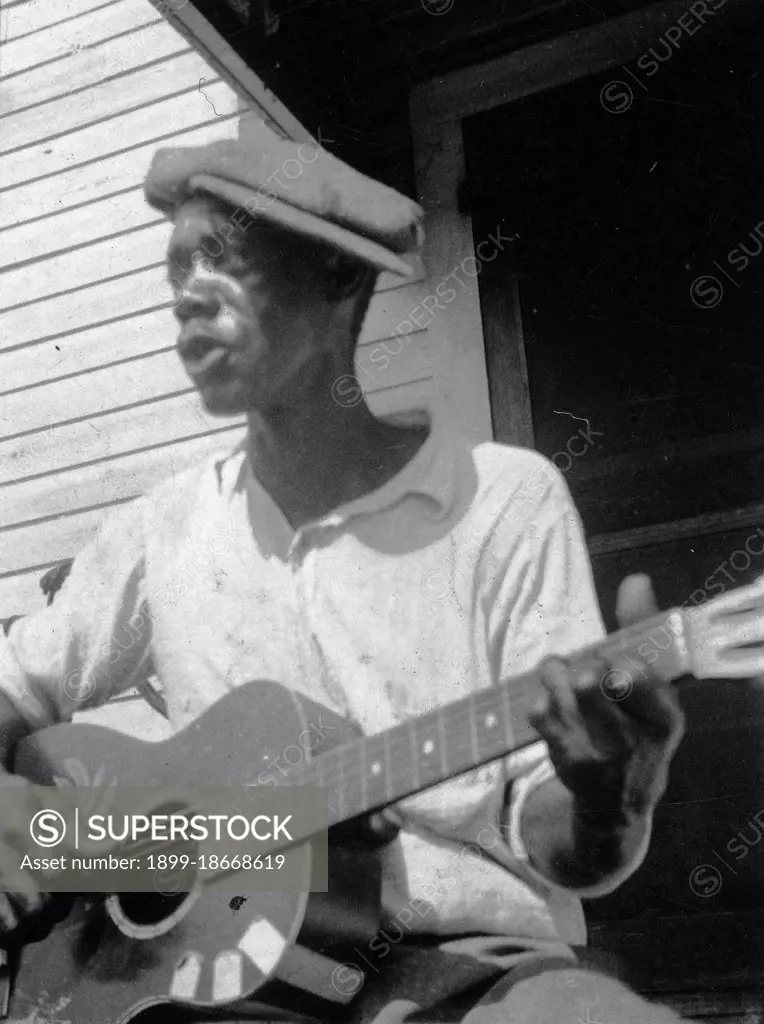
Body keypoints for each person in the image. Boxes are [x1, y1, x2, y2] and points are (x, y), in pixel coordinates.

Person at [0, 128, 688, 1023]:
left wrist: (610, 802)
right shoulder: (162, 527)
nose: (185, 300)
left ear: (338, 279)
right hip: (212, 982)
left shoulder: (506, 503)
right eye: (175, 271)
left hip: (467, 969)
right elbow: (16, 694)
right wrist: (38, 839)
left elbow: (559, 841)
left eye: (220, 259)